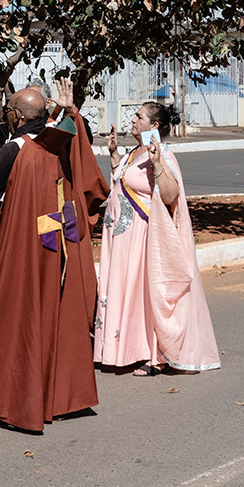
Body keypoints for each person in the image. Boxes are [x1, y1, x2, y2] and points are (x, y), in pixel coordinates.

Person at [0, 81, 109, 433]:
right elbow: (83, 162)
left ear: (14, 116)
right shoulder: (57, 141)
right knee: (48, 312)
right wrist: (70, 110)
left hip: (18, 241)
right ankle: (54, 395)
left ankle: (16, 394)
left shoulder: (17, 148)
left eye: (7, 113)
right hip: (54, 238)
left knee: (12, 316)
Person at [94, 101, 220, 377]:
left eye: (139, 116)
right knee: (122, 287)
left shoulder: (162, 154)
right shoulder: (135, 151)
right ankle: (119, 349)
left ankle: (148, 354)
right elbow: (124, 183)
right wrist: (114, 155)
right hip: (121, 238)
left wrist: (157, 163)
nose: (133, 119)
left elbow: (170, 195)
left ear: (155, 126)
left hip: (142, 238)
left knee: (140, 291)